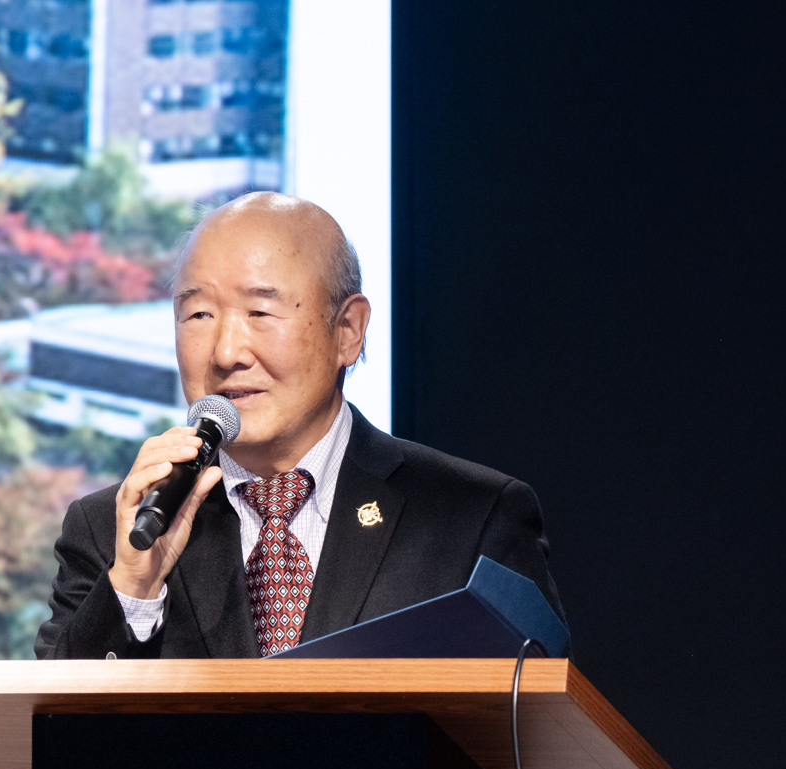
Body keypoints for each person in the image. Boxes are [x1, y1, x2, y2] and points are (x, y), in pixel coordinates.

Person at [35, 191, 564, 661]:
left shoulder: (471, 519)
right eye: (199, 315)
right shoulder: (118, 530)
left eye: (260, 313)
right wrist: (134, 585)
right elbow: (56, 729)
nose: (226, 352)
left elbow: (533, 728)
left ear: (348, 330)